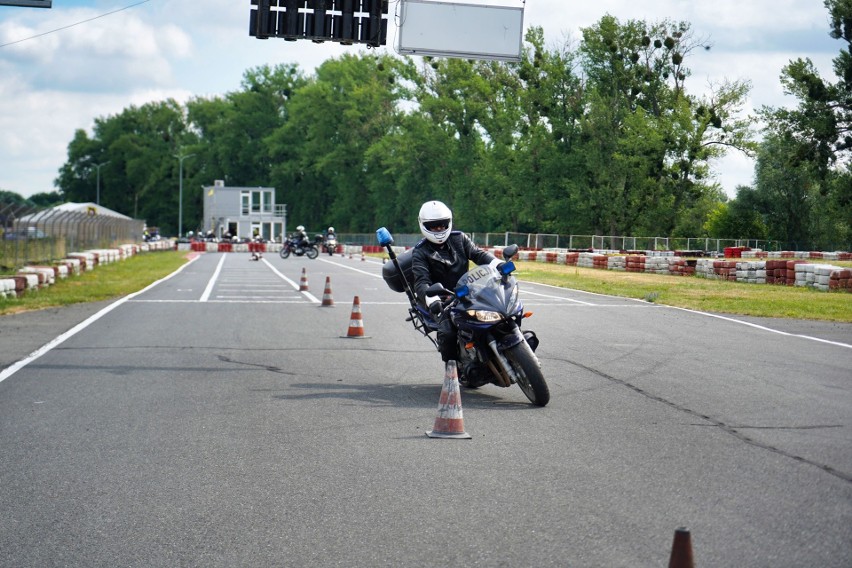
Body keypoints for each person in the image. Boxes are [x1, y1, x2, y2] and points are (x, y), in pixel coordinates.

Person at [411, 200, 504, 362]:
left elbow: (478, 254)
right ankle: (452, 366)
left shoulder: (459, 239)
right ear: (424, 225)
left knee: (501, 312)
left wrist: (497, 264)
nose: (439, 229)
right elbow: (421, 280)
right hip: (443, 300)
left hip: (468, 292)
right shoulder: (420, 251)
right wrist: (431, 298)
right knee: (447, 332)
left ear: (449, 222)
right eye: (434, 226)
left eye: (442, 224)